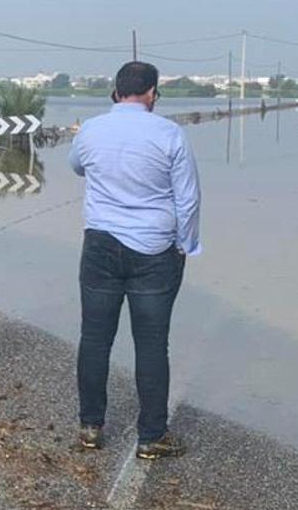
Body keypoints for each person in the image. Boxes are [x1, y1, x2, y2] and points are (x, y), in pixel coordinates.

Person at [68, 61, 201, 460]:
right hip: (155, 250)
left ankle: (91, 427)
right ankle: (151, 435)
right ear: (152, 94)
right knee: (151, 344)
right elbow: (188, 199)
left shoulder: (91, 129)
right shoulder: (170, 134)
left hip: (100, 245)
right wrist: (186, 245)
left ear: (115, 92)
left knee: (94, 338)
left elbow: (77, 166)